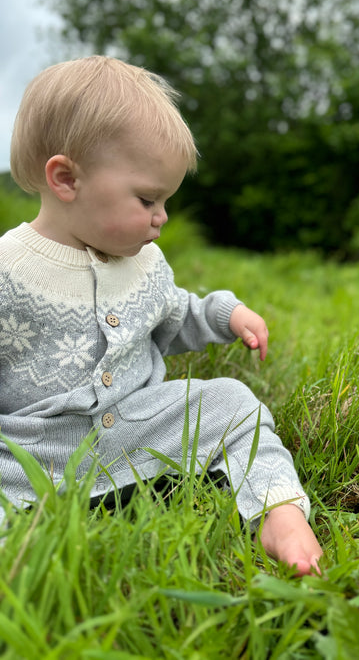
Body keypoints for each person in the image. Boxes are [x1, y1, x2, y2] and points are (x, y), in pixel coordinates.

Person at [1, 55, 322, 576]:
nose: (162, 218)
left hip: (135, 428)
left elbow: (175, 315)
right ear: (65, 179)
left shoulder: (145, 263)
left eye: (166, 200)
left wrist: (224, 314)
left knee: (232, 404)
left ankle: (277, 509)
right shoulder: (8, 269)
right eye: (148, 198)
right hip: (30, 455)